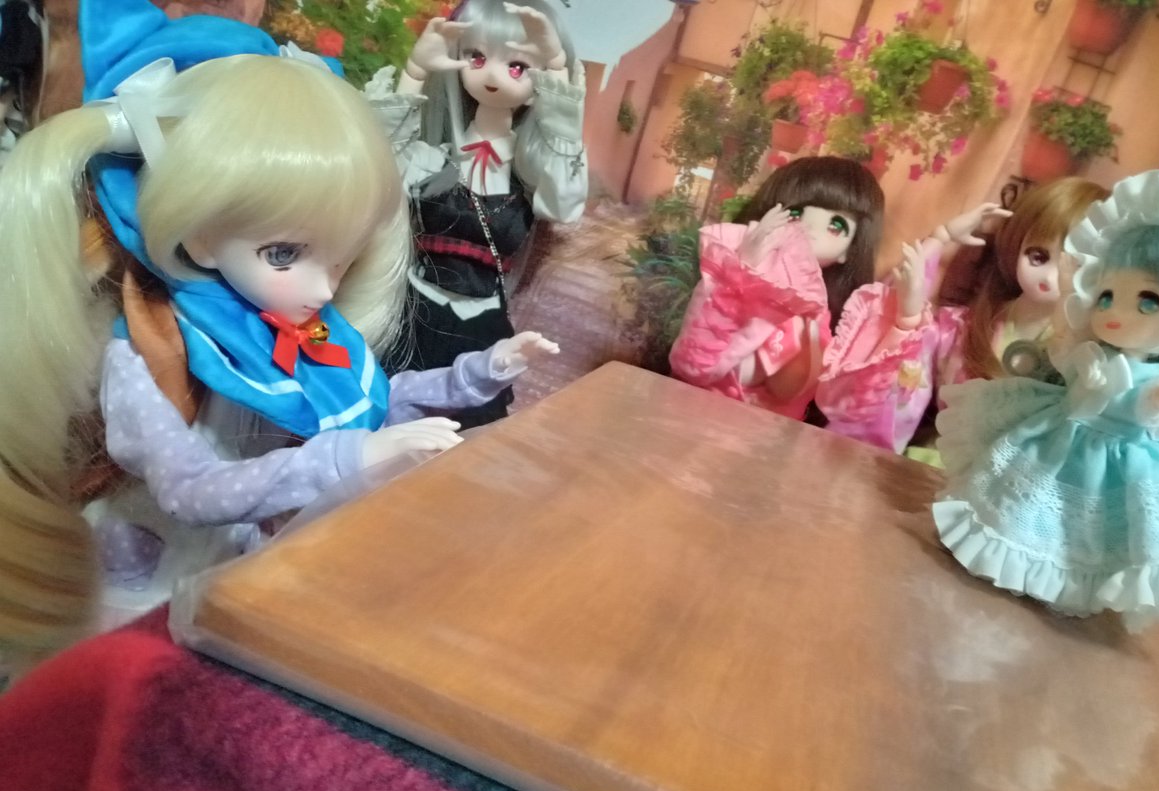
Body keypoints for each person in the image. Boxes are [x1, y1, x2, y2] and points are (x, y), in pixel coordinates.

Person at [0, 0, 557, 676]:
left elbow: (362, 400)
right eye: (285, 253)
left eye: (343, 258)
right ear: (199, 235)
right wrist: (346, 461)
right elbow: (190, 489)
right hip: (140, 599)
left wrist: (479, 372)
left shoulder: (284, 318)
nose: (323, 288)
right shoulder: (144, 352)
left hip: (230, 580)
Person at [933, 169, 1159, 633]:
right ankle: (1005, 558)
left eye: (1149, 301)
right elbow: (1067, 359)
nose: (1115, 313)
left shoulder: (1145, 377)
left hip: (1108, 462)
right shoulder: (1087, 350)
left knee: (1077, 532)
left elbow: (1147, 402)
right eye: (1107, 295)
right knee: (1019, 503)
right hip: (1054, 438)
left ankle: (1056, 581)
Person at [370, 0, 587, 428]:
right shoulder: (432, 158)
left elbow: (565, 203)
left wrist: (558, 76)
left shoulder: (531, 178)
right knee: (385, 421)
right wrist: (415, 72)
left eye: (517, 65)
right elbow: (377, 174)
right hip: (414, 317)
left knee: (467, 436)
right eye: (477, 56)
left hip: (479, 328)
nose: (492, 74)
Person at [668, 155, 1006, 421]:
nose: (809, 230)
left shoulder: (823, 319)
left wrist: (942, 238)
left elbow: (890, 299)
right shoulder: (731, 283)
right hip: (698, 420)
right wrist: (744, 271)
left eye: (836, 225)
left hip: (768, 444)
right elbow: (693, 365)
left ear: (849, 250)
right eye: (795, 213)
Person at [816, 177, 1109, 455]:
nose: (1048, 276)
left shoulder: (1082, 354)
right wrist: (939, 241)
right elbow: (902, 386)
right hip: (935, 461)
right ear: (1018, 244)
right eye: (1038, 256)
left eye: (1074, 266)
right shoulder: (958, 328)